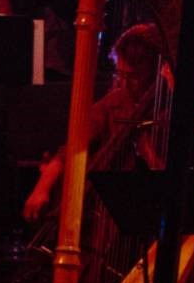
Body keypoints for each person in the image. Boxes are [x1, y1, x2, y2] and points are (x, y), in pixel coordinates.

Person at [21, 22, 166, 223]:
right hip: (106, 212)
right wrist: (41, 189)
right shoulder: (116, 100)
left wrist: (145, 147)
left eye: (133, 76)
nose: (124, 83)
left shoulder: (168, 107)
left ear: (157, 71)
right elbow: (72, 147)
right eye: (120, 74)